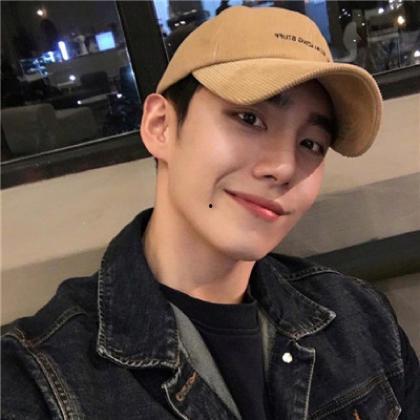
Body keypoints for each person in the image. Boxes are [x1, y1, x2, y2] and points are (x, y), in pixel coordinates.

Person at [2, 6, 419, 419]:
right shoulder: (38, 380)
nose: (284, 167)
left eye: (311, 144)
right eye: (250, 118)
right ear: (161, 126)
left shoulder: (360, 320)